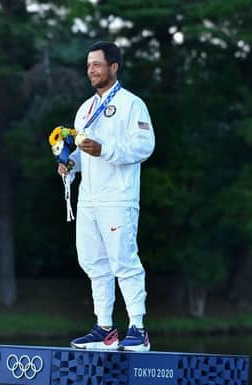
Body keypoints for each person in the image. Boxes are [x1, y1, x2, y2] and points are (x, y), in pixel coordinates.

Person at [57, 41, 155, 352]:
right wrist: (70, 165)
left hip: (118, 197)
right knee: (93, 262)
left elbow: (144, 146)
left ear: (114, 67)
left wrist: (105, 149)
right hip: (89, 198)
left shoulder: (131, 105)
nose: (91, 70)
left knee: (124, 262)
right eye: (88, 65)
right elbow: (85, 155)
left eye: (97, 65)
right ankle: (105, 328)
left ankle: (139, 328)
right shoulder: (84, 110)